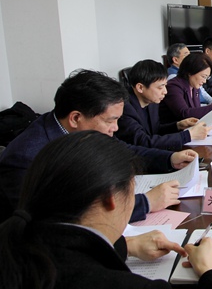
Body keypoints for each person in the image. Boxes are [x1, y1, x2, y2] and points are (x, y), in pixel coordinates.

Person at [0, 131, 212, 289]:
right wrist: (209, 271)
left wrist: (126, 245)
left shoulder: (17, 241)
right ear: (111, 199)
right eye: (133, 189)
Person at [0, 70, 196, 223]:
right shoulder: (25, 158)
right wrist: (144, 203)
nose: (116, 128)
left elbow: (124, 150)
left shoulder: (80, 130)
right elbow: (52, 217)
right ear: (75, 118)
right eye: (110, 121)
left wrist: (169, 158)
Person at [116, 60, 212, 150]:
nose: (165, 91)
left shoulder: (151, 100)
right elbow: (144, 142)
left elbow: (155, 130)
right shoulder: (123, 108)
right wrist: (189, 135)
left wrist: (178, 125)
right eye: (160, 87)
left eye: (165, 85)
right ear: (140, 87)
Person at [160, 52, 212, 124]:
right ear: (190, 72)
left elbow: (196, 110)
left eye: (207, 77)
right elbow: (184, 114)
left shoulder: (193, 85)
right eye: (203, 76)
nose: (204, 81)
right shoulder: (173, 86)